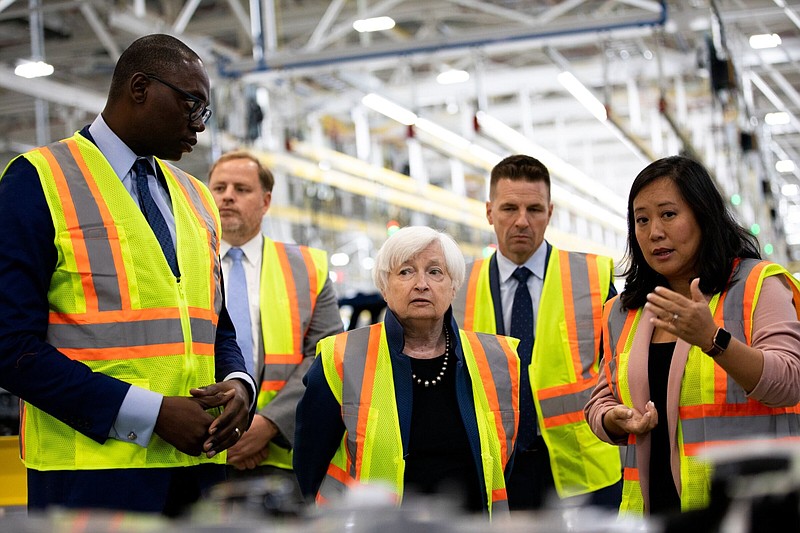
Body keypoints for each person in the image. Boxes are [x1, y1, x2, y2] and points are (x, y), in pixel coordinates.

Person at [0, 34, 256, 515]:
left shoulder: (197, 199)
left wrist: (239, 383)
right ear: (140, 88)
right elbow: (10, 349)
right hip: (89, 479)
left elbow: (214, 326)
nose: (200, 126)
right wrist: (150, 413)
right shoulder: (36, 182)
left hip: (199, 472)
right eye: (192, 104)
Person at [585, 155, 800, 516]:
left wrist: (713, 340)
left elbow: (790, 381)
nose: (654, 232)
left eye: (668, 214)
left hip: (745, 510)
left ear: (704, 216)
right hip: (652, 514)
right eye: (642, 220)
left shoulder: (756, 286)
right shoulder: (625, 310)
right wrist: (612, 419)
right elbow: (600, 398)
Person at [294, 226, 520, 519]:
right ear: (384, 288)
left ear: (454, 286)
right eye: (405, 272)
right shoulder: (341, 356)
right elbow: (309, 464)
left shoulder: (497, 359)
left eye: (435, 272)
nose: (421, 284)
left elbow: (506, 462)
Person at [452, 154, 622, 510]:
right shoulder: (458, 288)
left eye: (535, 209)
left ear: (550, 212)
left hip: (584, 471)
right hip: (496, 469)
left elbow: (621, 367)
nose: (522, 221)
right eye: (509, 208)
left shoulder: (591, 279)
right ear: (488, 212)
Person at [207, 151, 343, 497]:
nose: (227, 196)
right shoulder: (181, 262)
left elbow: (325, 353)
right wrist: (221, 434)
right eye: (219, 187)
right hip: (200, 449)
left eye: (241, 188)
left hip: (281, 452)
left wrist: (267, 425)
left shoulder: (307, 268)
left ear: (266, 201)